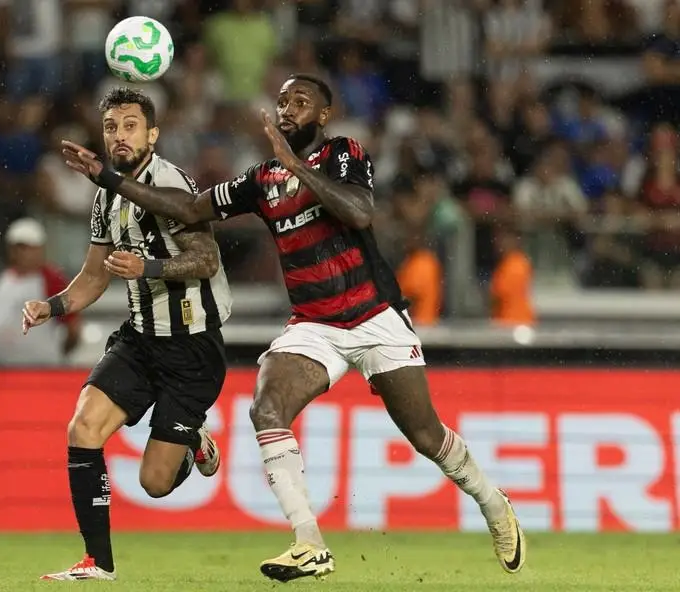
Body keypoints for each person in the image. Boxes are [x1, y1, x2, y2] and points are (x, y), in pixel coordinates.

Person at [63, 74, 526, 582]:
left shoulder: (344, 154)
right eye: (282, 100)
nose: (287, 108)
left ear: (324, 116)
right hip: (315, 324)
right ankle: (309, 542)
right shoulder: (261, 179)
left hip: (375, 316)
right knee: (266, 405)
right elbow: (189, 208)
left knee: (424, 434)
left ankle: (491, 501)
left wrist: (297, 167)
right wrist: (108, 178)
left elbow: (360, 212)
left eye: (301, 102)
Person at [23, 88, 233, 581]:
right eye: (112, 127)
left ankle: (193, 442)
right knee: (82, 428)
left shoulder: (173, 184)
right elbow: (94, 276)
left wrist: (149, 266)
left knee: (155, 483)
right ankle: (98, 562)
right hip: (140, 339)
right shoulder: (105, 197)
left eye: (131, 125)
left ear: (152, 134)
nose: (120, 135)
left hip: (192, 348)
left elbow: (207, 259)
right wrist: (49, 307)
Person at [0, 218, 81, 366]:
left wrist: (58, 354)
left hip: (40, 367)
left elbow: (73, 327)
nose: (22, 253)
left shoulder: (51, 279)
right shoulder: (4, 279)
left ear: (40, 249)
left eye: (27, 248)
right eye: (18, 248)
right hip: (2, 367)